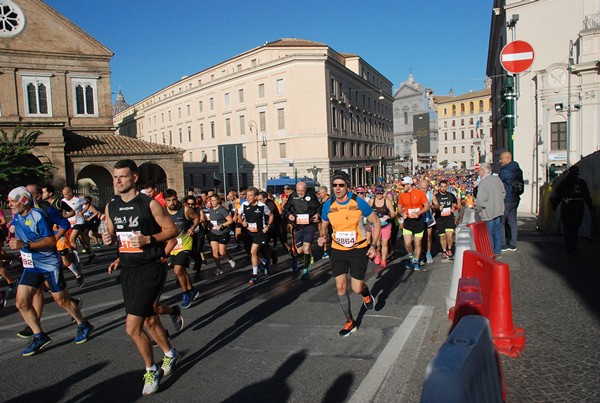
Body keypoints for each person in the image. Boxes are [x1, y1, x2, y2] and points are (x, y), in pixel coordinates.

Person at [102, 160, 180, 396]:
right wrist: (107, 240)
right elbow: (111, 233)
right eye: (115, 177)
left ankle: (151, 369)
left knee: (132, 327)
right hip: (128, 269)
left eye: (122, 177)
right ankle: (169, 353)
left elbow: (172, 231)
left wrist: (148, 240)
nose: (117, 181)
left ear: (134, 178)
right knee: (147, 320)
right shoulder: (111, 206)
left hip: (150, 268)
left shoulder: (150, 205)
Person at [7, 187, 93, 356]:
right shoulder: (17, 216)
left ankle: (83, 324)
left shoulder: (38, 216)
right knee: (21, 303)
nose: (9, 204)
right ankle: (39, 336)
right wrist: (13, 232)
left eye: (12, 201)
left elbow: (50, 241)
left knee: (61, 300)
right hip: (32, 265)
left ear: (23, 200)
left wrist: (24, 245)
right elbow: (19, 230)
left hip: (48, 264)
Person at [318, 171, 380, 337]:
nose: (337, 188)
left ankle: (366, 294)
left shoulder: (358, 202)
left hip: (358, 249)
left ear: (347, 186)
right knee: (340, 286)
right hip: (338, 250)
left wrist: (373, 245)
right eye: (335, 185)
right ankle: (350, 322)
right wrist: (322, 237)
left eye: (341, 185)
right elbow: (323, 224)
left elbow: (376, 222)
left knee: (356, 287)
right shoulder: (328, 204)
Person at [164, 189, 201, 308]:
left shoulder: (185, 210)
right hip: (172, 246)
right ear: (165, 201)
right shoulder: (163, 212)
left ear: (177, 198)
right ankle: (192, 290)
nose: (172, 203)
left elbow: (196, 218)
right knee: (182, 272)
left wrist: (193, 228)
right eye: (169, 200)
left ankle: (186, 294)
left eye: (174, 199)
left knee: (178, 270)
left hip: (185, 244)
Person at [550, 166, 594, 254]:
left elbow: (559, 195)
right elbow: (586, 196)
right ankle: (573, 245)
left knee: (567, 226)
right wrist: (590, 207)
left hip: (566, 205)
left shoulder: (564, 183)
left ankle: (569, 245)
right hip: (578, 205)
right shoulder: (581, 183)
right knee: (576, 226)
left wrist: (555, 205)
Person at [284, 181, 322, 279]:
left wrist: (317, 214)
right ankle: (299, 260)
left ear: (306, 189)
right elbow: (286, 208)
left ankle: (305, 271)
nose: (300, 192)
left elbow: (319, 207)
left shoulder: (311, 196)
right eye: (298, 190)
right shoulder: (292, 196)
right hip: (298, 226)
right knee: (299, 250)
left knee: (306, 248)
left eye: (302, 190)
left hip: (309, 225)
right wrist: (289, 215)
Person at [238, 187, 273, 285]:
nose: (247, 198)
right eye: (247, 195)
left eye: (250, 196)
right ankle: (264, 261)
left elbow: (271, 215)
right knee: (252, 252)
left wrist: (268, 226)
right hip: (249, 232)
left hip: (260, 232)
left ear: (256, 197)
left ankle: (254, 275)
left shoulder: (262, 206)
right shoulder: (244, 205)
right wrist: (242, 223)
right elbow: (239, 215)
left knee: (253, 251)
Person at [398, 176, 431, 271]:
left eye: (403, 185)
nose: (402, 186)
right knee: (408, 243)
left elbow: (427, 206)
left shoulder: (419, 193)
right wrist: (402, 213)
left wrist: (418, 213)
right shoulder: (402, 195)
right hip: (408, 221)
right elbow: (399, 207)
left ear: (409, 184)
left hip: (418, 221)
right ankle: (411, 256)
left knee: (417, 243)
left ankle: (416, 261)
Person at [474, 163, 505, 257]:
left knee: (489, 233)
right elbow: (503, 193)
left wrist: (478, 209)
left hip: (488, 210)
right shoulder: (497, 179)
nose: (478, 173)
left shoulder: (483, 182)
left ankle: (490, 252)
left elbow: (480, 200)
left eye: (479, 171)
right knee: (498, 231)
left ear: (483, 171)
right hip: (499, 209)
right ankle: (498, 251)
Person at [62, 187, 95, 265]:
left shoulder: (78, 200)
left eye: (66, 194)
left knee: (72, 239)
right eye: (63, 194)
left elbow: (88, 204)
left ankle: (75, 260)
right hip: (69, 223)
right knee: (83, 241)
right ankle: (91, 254)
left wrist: (82, 212)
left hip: (79, 222)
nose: (65, 196)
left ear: (70, 193)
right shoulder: (63, 201)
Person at [498, 151, 523, 252]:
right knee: (512, 221)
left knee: (501, 222)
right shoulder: (518, 169)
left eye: (501, 159)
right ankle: (513, 244)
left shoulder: (504, 171)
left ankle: (503, 244)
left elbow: (499, 182)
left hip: (506, 199)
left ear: (507, 158)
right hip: (515, 198)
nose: (500, 161)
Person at [207, 193, 236, 276]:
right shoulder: (211, 209)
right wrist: (209, 224)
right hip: (213, 232)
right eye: (211, 200)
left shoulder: (222, 210)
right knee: (215, 252)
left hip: (223, 232)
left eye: (214, 200)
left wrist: (222, 225)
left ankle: (229, 258)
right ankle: (218, 268)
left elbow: (230, 220)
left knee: (222, 252)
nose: (212, 202)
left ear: (218, 201)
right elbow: (212, 220)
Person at [368, 185, 396, 269]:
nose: (379, 195)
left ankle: (383, 259)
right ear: (375, 194)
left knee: (385, 243)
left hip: (385, 224)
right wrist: (370, 219)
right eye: (377, 194)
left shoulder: (386, 201)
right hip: (375, 225)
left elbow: (393, 213)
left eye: (381, 193)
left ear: (383, 193)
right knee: (377, 243)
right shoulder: (371, 201)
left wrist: (389, 216)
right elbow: (367, 212)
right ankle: (377, 253)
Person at [433, 180, 459, 262]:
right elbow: (432, 206)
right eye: (442, 187)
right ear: (439, 187)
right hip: (440, 219)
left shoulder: (450, 195)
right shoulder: (436, 196)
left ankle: (450, 249)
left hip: (449, 218)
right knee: (442, 236)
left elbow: (455, 203)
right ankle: (444, 251)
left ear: (447, 187)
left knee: (450, 235)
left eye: (445, 187)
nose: (443, 188)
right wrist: (437, 208)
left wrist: (453, 207)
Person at [418, 179, 436, 264]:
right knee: (419, 238)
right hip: (419, 219)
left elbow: (437, 205)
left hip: (428, 218)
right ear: (419, 187)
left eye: (425, 188)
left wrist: (433, 206)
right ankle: (421, 254)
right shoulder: (416, 195)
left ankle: (428, 253)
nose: (423, 190)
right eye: (422, 188)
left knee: (429, 237)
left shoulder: (431, 195)